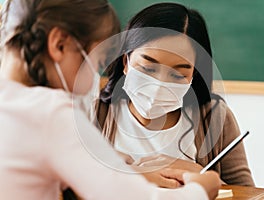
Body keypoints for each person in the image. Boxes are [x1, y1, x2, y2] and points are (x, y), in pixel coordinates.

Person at [0, 0, 221, 199]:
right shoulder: (51, 113)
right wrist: (201, 188)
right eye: (95, 63)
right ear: (59, 45)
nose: (93, 79)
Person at [97, 2, 254, 188]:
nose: (159, 85)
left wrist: (199, 174)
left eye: (178, 74)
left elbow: (248, 194)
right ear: (126, 61)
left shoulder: (214, 117)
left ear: (193, 75)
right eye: (148, 68)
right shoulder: (94, 114)